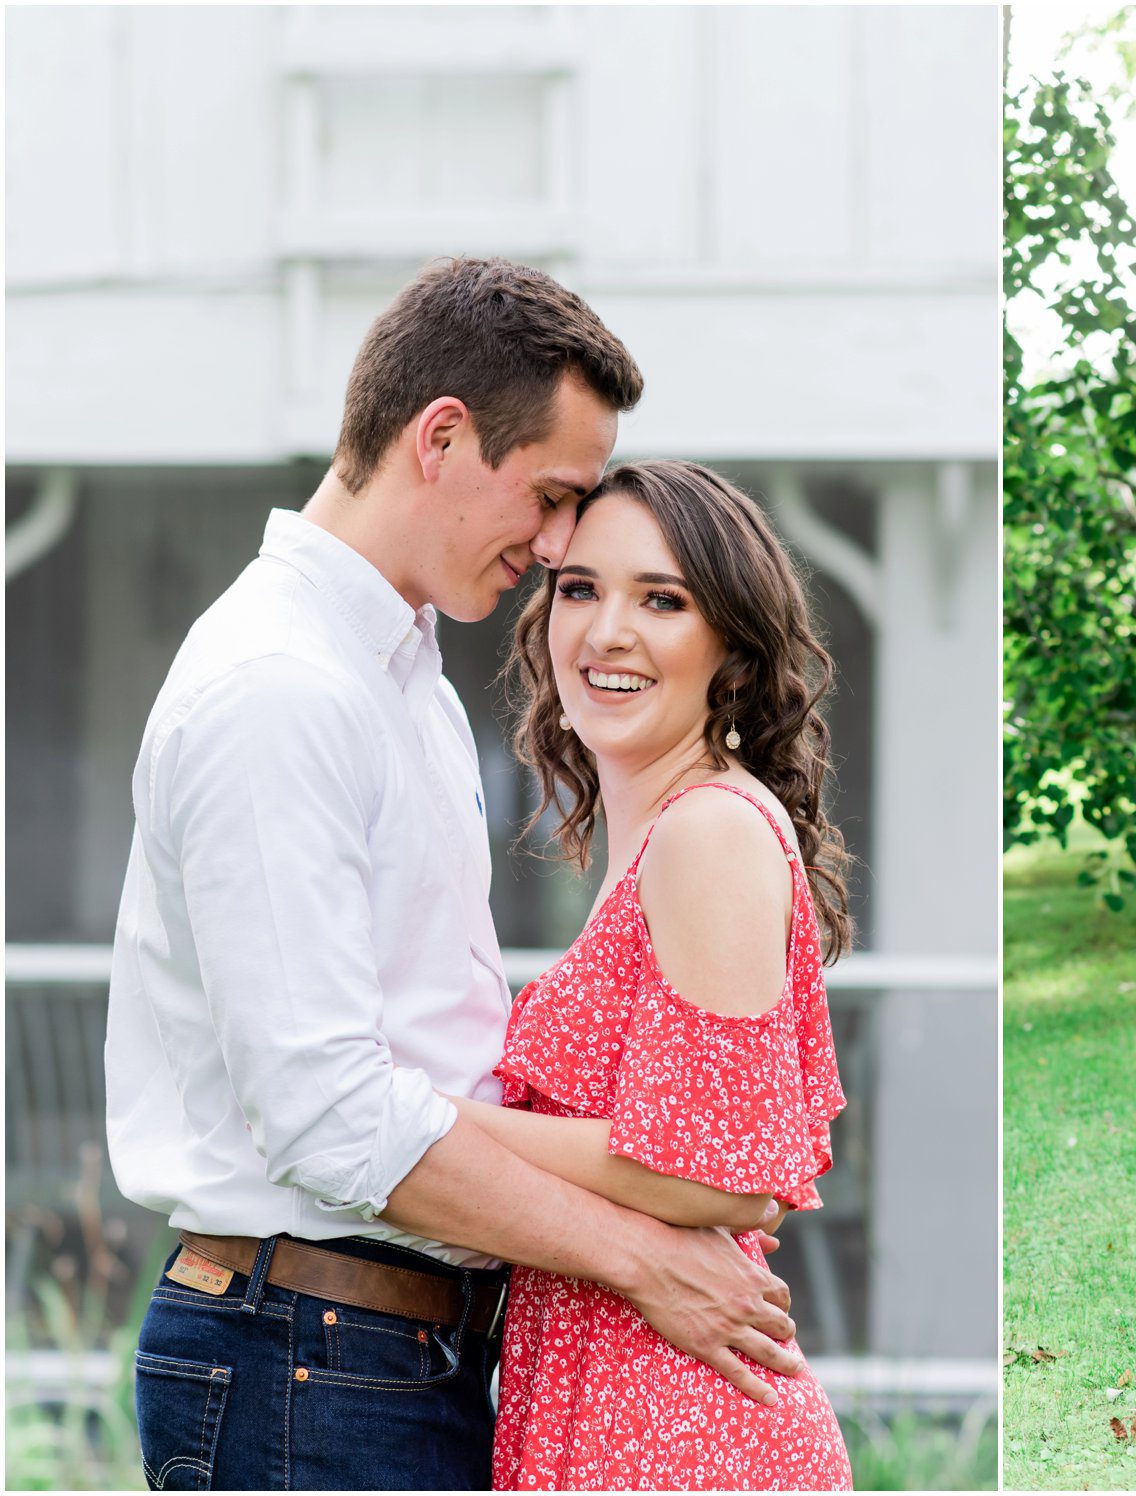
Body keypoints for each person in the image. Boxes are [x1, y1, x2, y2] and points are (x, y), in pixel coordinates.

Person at [107, 258, 805, 1492]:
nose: (550, 548)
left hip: (387, 1351)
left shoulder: (404, 677)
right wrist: (637, 1255)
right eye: (548, 501)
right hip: (305, 1351)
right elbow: (327, 1106)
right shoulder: (281, 686)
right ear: (440, 437)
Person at [446, 459, 853, 1488]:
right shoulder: (662, 832)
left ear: (729, 645)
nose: (606, 630)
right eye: (578, 588)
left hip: (677, 1420)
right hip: (615, 1391)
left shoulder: (707, 829)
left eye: (660, 599)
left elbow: (720, 1174)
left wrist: (425, 1118)